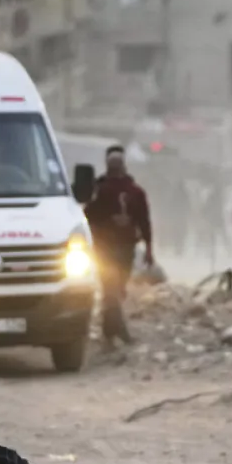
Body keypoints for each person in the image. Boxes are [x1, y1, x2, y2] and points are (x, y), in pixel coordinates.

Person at [84, 146, 153, 348]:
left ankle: (109, 333)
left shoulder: (135, 192)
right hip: (106, 249)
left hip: (124, 249)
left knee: (116, 291)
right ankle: (119, 333)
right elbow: (88, 217)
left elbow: (144, 222)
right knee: (110, 290)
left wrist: (149, 248)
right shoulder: (99, 191)